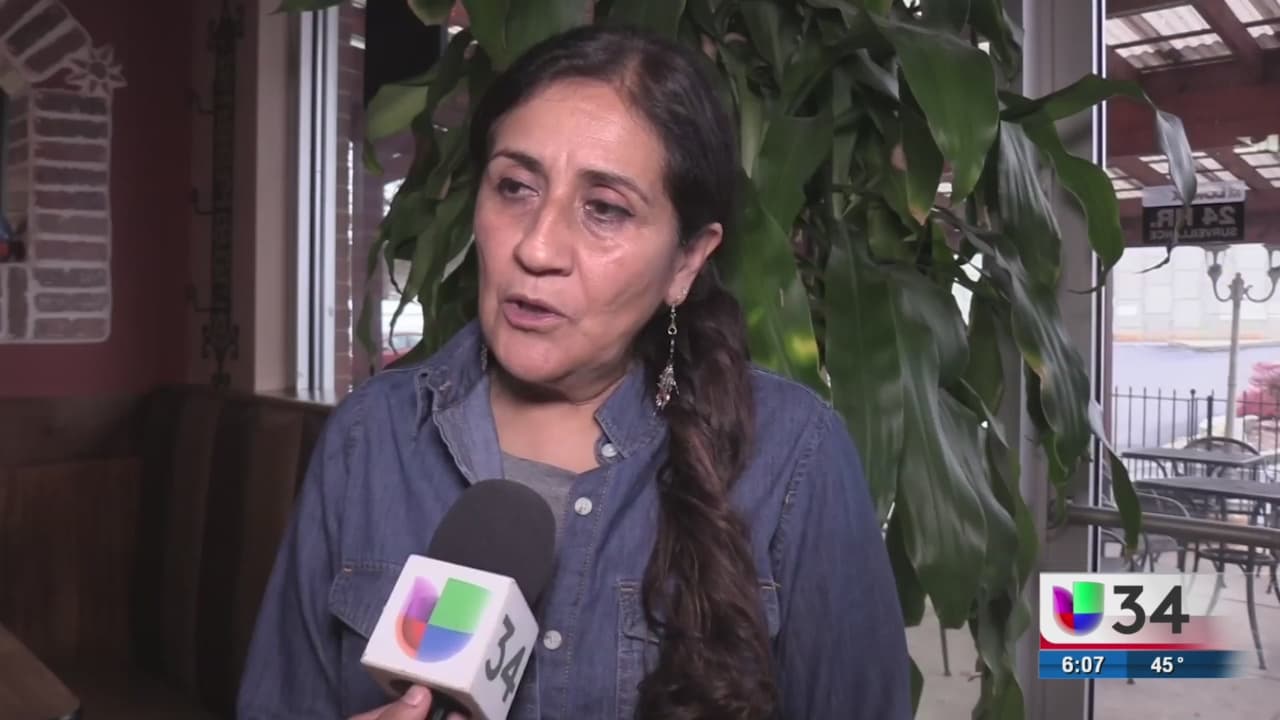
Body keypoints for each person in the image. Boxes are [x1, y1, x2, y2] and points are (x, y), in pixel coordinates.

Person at [236, 24, 911, 720]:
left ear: (686, 261)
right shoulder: (371, 438)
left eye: (605, 210)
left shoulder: (794, 457)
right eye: (515, 187)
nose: (537, 247)